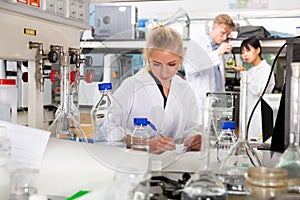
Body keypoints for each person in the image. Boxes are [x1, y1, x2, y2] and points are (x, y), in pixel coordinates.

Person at [113, 25, 202, 154]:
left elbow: (191, 128)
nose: (164, 72)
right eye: (157, 64)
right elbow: (106, 128)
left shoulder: (185, 89)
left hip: (174, 164)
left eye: (172, 64)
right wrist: (143, 143)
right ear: (148, 58)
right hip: (136, 164)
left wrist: (194, 139)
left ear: (181, 59)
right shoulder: (131, 85)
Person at [184, 14, 235, 124]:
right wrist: (217, 53)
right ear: (213, 28)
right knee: (199, 136)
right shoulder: (197, 42)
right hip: (199, 102)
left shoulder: (218, 48)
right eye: (223, 32)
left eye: (228, 34)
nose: (225, 37)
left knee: (215, 136)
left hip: (216, 102)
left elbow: (217, 81)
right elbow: (190, 68)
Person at [239, 36, 275, 140]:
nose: (245, 54)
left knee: (258, 149)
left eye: (248, 50)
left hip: (259, 118)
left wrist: (244, 74)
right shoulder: (250, 71)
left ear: (258, 50)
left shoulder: (266, 70)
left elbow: (259, 90)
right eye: (242, 52)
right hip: (248, 116)